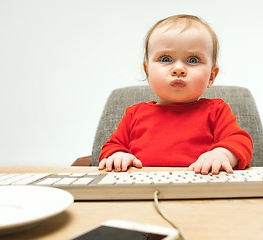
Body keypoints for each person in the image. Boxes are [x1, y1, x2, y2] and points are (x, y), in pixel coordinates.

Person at [98, 14, 253, 175]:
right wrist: (118, 156)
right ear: (147, 72)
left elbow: (240, 142)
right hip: (142, 193)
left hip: (201, 192)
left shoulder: (217, 111)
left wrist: (222, 154)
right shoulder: (134, 114)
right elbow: (111, 147)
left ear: (212, 76)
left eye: (193, 60)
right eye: (165, 59)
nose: (178, 69)